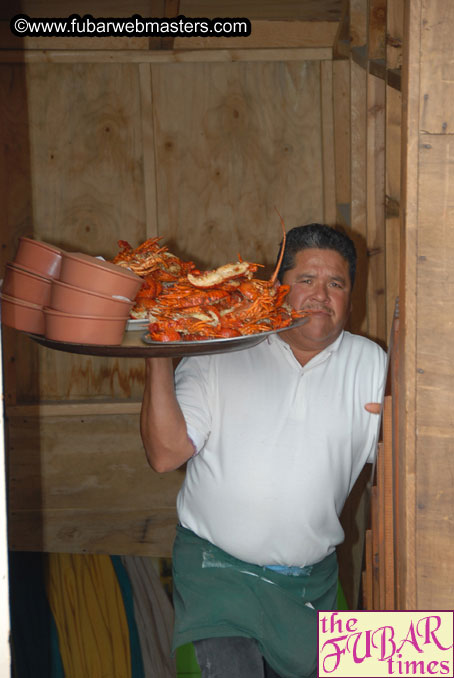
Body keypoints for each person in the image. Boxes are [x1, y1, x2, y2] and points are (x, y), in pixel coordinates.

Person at [140, 224, 387, 678]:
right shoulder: (220, 351)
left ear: (350, 299)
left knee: (422, 658)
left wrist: (399, 425)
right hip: (220, 578)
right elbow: (165, 454)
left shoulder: (372, 365)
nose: (320, 295)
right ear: (277, 289)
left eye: (336, 284)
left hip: (315, 586)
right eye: (305, 281)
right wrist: (159, 354)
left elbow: (413, 467)